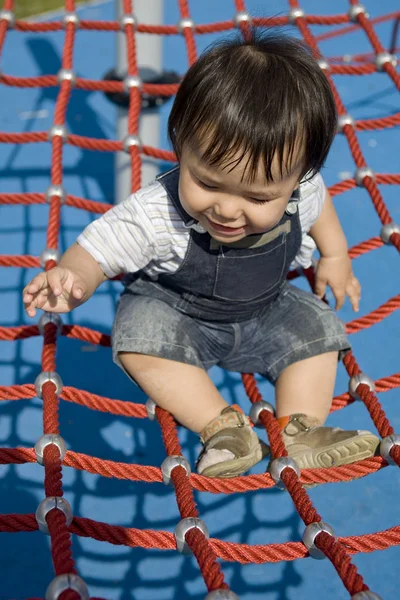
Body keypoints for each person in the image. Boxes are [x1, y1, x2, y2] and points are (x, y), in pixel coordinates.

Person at [23, 31, 380, 479]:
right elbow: (99, 248)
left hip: (266, 310)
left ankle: (297, 430)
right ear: (181, 144)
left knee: (317, 330)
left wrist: (335, 255)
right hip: (179, 314)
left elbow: (320, 205)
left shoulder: (302, 190)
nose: (227, 209)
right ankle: (223, 428)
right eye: (208, 183)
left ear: (296, 179)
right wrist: (72, 278)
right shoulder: (157, 211)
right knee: (137, 335)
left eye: (258, 197)